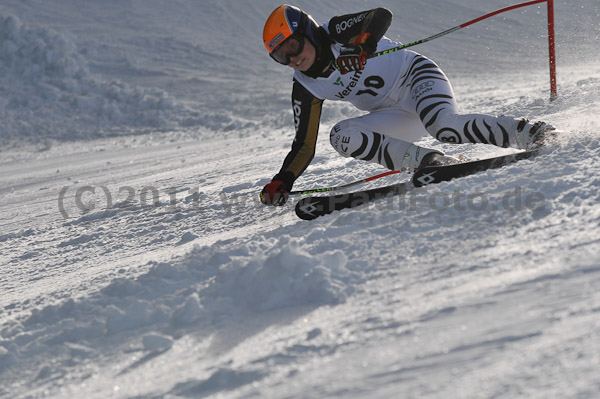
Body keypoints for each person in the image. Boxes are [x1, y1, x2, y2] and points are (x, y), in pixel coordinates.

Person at [259, 5, 554, 206]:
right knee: (341, 135)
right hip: (393, 114)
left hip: (416, 77)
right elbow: (304, 145)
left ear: (307, 33)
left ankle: (530, 132)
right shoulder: (305, 86)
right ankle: (429, 162)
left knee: (445, 127)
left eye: (293, 46)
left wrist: (361, 47)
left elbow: (380, 16)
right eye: (281, 56)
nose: (292, 59)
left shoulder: (334, 31)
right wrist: (282, 181)